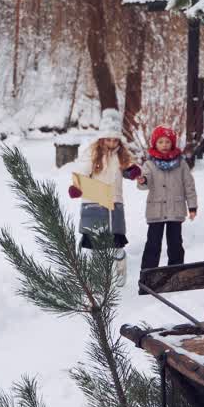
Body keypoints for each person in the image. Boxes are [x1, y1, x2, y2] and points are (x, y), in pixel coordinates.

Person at [68, 109, 142, 285]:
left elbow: (128, 168)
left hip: (114, 203)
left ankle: (120, 269)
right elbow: (82, 170)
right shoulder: (92, 152)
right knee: (95, 246)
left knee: (116, 244)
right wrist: (77, 186)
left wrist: (132, 171)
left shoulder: (121, 154)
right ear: (102, 138)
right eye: (108, 139)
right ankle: (96, 278)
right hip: (94, 203)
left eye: (114, 139)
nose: (111, 142)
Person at [138, 125, 197, 271]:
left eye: (167, 142)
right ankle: (148, 278)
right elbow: (145, 183)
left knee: (175, 244)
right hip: (156, 211)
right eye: (160, 142)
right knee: (153, 244)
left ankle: (175, 275)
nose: (164, 145)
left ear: (172, 143)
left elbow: (189, 185)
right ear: (155, 144)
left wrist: (192, 206)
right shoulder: (149, 164)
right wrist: (143, 181)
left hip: (175, 211)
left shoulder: (181, 164)